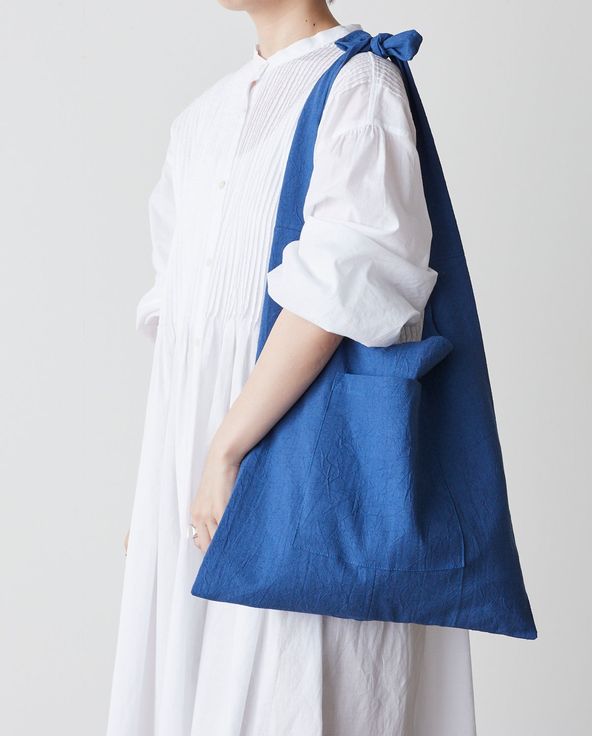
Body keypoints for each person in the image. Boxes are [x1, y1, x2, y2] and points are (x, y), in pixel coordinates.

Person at [106, 2, 477, 734]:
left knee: (292, 690)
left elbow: (344, 289)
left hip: (296, 452)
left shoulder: (360, 83)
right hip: (198, 464)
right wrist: (164, 478)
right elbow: (182, 324)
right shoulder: (200, 119)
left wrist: (228, 446)